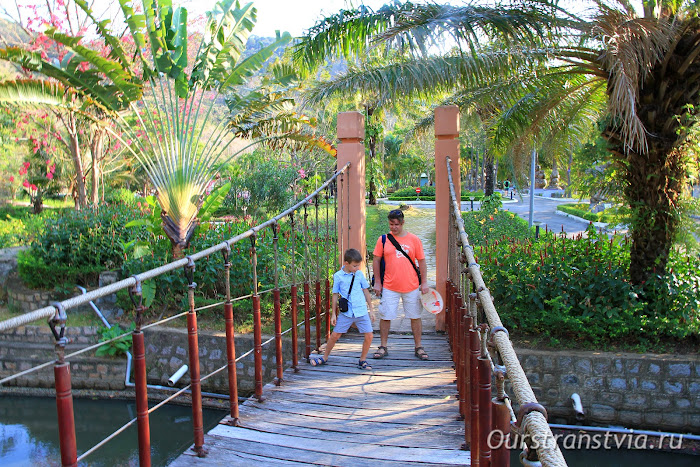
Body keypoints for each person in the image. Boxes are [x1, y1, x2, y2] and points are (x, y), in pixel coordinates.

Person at [372, 209, 430, 360]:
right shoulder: (383, 240)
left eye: (397, 224)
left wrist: (424, 283)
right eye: (391, 224)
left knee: (415, 316)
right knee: (385, 316)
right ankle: (383, 346)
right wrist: (378, 282)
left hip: (411, 286)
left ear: (403, 223)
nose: (394, 227)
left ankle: (418, 347)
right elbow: (376, 260)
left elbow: (422, 262)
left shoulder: (414, 240)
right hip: (389, 286)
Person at [310, 248, 375, 369]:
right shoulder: (338, 276)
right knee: (335, 335)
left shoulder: (359, 274)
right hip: (347, 312)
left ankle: (363, 360)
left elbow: (366, 291)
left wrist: (371, 310)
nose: (357, 268)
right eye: (355, 266)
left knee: (369, 335)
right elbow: (335, 294)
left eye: (358, 266)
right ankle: (324, 357)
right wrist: (334, 314)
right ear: (346, 263)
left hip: (361, 310)